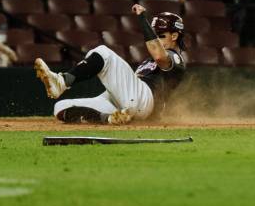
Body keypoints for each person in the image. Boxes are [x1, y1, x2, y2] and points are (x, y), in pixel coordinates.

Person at [33, 6, 186, 124]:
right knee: (60, 107)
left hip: (144, 101)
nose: (156, 39)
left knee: (103, 52)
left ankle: (62, 81)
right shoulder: (148, 61)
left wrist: (142, 19)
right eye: (154, 35)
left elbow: (159, 56)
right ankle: (110, 118)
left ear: (174, 36)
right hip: (124, 102)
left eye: (160, 36)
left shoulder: (176, 58)